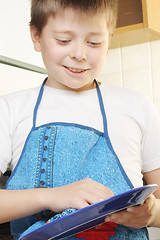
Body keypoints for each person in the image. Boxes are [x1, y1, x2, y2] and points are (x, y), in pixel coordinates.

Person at [0, 0, 160, 239]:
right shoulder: (10, 108)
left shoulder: (137, 106)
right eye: (64, 40)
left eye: (94, 42)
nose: (80, 54)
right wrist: (52, 196)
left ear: (108, 41)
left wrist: (153, 213)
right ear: (36, 36)